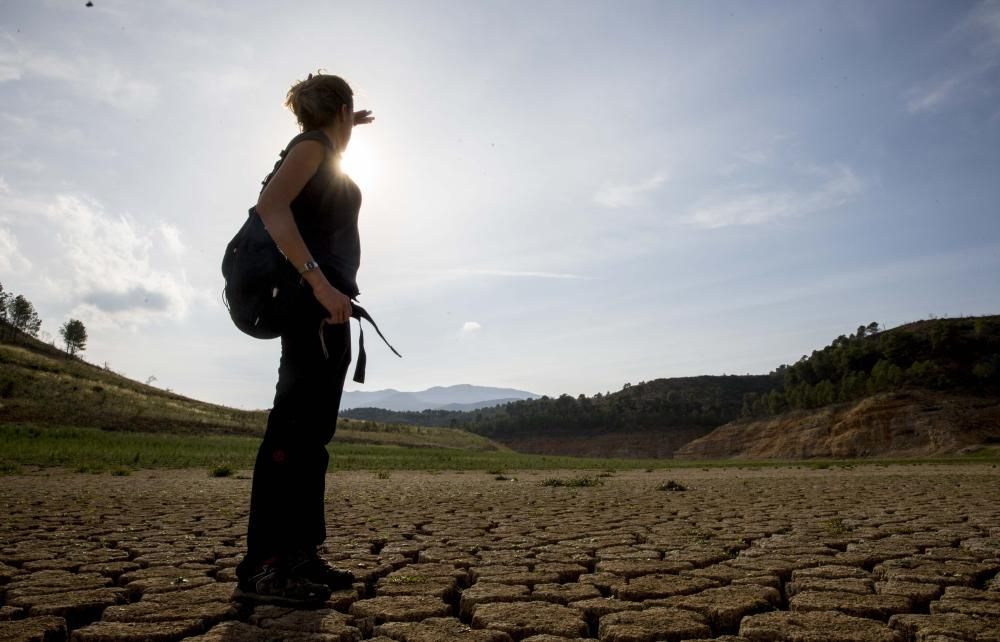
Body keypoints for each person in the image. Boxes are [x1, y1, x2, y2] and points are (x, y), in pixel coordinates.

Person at [234, 72, 374, 606]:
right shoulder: (312, 146)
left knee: (311, 441)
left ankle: (300, 554)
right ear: (339, 111)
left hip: (329, 312)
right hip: (310, 304)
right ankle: (264, 568)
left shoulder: (322, 146)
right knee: (290, 437)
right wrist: (318, 281)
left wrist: (343, 126)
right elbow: (272, 208)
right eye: (351, 113)